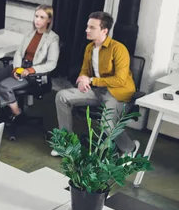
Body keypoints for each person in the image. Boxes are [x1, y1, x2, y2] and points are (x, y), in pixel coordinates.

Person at [53, 11, 138, 156]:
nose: (87, 30)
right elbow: (84, 70)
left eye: (92, 27)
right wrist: (82, 80)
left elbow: (120, 80)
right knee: (62, 96)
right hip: (97, 91)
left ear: (104, 30)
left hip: (117, 93)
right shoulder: (89, 48)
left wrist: (91, 80)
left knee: (106, 125)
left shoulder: (118, 49)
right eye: (87, 26)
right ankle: (67, 144)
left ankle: (130, 148)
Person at [0, 5, 60, 124]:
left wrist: (30, 70)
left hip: (33, 73)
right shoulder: (31, 34)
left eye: (42, 17)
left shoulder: (53, 38)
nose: (37, 20)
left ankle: (17, 114)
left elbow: (52, 64)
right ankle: (7, 108)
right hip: (20, 66)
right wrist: (17, 67)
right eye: (36, 16)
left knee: (2, 86)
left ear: (49, 20)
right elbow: (18, 53)